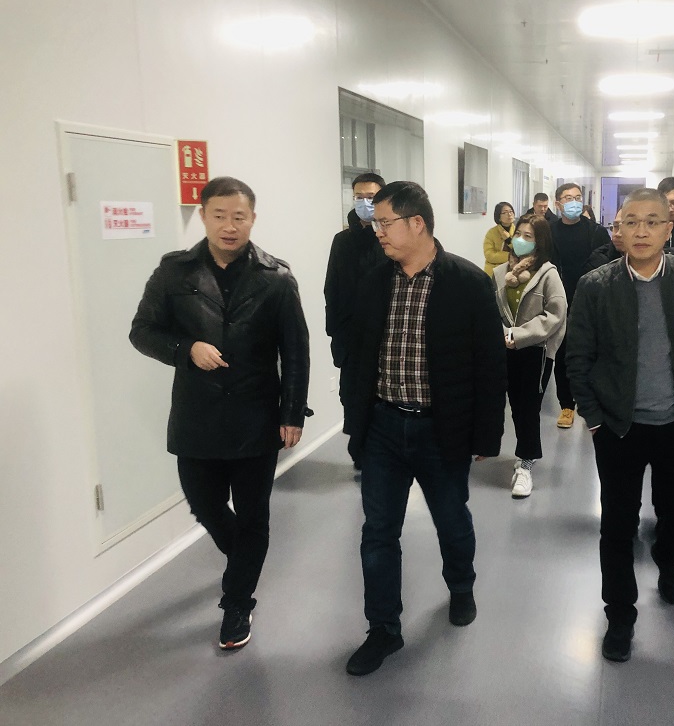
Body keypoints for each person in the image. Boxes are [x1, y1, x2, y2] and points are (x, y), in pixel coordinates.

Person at [130, 176, 310, 651]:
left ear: (253, 219)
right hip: (197, 416)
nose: (230, 226)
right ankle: (246, 559)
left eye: (239, 217)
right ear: (204, 216)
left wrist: (292, 413)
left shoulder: (276, 277)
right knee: (204, 504)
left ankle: (237, 602)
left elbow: (295, 351)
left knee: (253, 517)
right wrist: (185, 349)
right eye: (220, 216)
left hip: (256, 416)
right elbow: (142, 331)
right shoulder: (174, 272)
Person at [342, 181, 507, 676]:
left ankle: (461, 586)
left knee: (451, 519)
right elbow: (358, 354)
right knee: (378, 532)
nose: (378, 232)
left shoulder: (467, 283)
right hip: (383, 427)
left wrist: (486, 435)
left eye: (385, 223)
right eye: (375, 223)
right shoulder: (375, 280)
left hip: (442, 429)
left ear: (417, 223)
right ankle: (383, 628)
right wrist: (356, 420)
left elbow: (490, 366)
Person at [566, 188, 674, 663]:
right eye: (630, 221)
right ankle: (620, 614)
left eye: (652, 221)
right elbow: (578, 358)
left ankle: (668, 559)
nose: (640, 231)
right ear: (617, 229)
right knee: (618, 524)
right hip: (619, 428)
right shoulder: (595, 285)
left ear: (668, 229)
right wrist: (594, 418)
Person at [492, 214, 567, 498]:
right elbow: (493, 310)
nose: (521, 240)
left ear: (540, 241)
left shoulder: (548, 274)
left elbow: (555, 316)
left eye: (529, 236)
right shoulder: (501, 273)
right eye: (518, 234)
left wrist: (519, 335)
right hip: (505, 348)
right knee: (511, 404)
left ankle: (526, 462)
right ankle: (512, 452)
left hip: (536, 351)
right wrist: (503, 333)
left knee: (528, 408)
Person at [549, 182, 611, 429]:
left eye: (577, 197)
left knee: (594, 354)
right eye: (568, 198)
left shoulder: (596, 232)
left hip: (590, 302)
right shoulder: (549, 231)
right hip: (559, 301)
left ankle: (594, 405)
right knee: (563, 355)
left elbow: (607, 265)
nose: (573, 202)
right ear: (558, 204)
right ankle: (566, 406)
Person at [324, 172, 388, 389]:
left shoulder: (389, 240)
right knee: (351, 398)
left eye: (370, 197)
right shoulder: (342, 241)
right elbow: (331, 289)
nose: (364, 202)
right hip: (349, 341)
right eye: (359, 197)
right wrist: (335, 333)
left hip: (384, 339)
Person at [483, 201, 515, 274]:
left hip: (513, 270)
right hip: (493, 270)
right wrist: (510, 256)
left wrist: (509, 240)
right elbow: (489, 255)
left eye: (511, 211)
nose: (509, 214)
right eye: (505, 212)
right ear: (499, 217)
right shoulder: (491, 233)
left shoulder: (518, 230)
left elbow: (519, 251)